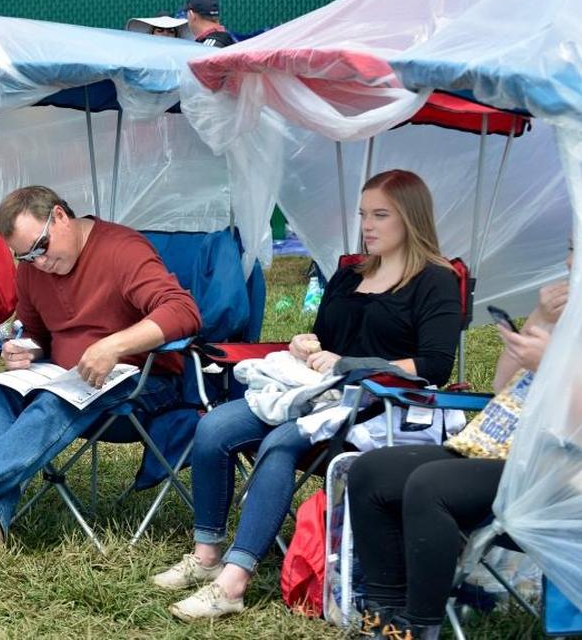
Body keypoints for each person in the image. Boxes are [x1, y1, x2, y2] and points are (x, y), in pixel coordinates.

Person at [152, 169, 462, 621]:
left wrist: (350, 366)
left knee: (281, 441)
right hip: (316, 392)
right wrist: (305, 345)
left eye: (380, 215)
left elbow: (434, 366)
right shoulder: (349, 274)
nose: (367, 226)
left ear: (411, 220)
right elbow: (323, 337)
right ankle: (206, 555)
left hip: (378, 404)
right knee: (215, 426)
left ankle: (234, 582)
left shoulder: (434, 280)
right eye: (363, 215)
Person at [0, 185, 201, 555]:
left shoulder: (123, 249)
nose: (39, 262)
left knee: (56, 401)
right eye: (26, 257)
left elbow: (183, 312)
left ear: (61, 216)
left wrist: (114, 345)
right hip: (67, 378)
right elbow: (37, 334)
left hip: (142, 382)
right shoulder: (33, 271)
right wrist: (26, 350)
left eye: (41, 247)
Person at [347, 241, 573, 640]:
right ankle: (383, 615)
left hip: (561, 476)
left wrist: (551, 363)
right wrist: (538, 321)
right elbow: (504, 388)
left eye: (578, 250)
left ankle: (421, 627)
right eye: (570, 247)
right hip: (512, 453)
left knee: (431, 485)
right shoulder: (571, 316)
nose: (570, 260)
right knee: (372, 470)